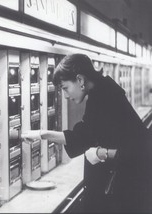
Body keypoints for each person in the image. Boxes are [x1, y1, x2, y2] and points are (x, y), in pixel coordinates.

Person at [22, 53, 152, 213]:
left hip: (128, 189)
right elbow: (83, 135)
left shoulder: (104, 98)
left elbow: (139, 149)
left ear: (80, 80)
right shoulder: (103, 93)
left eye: (65, 88)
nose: (65, 95)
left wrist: (102, 153)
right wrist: (42, 134)